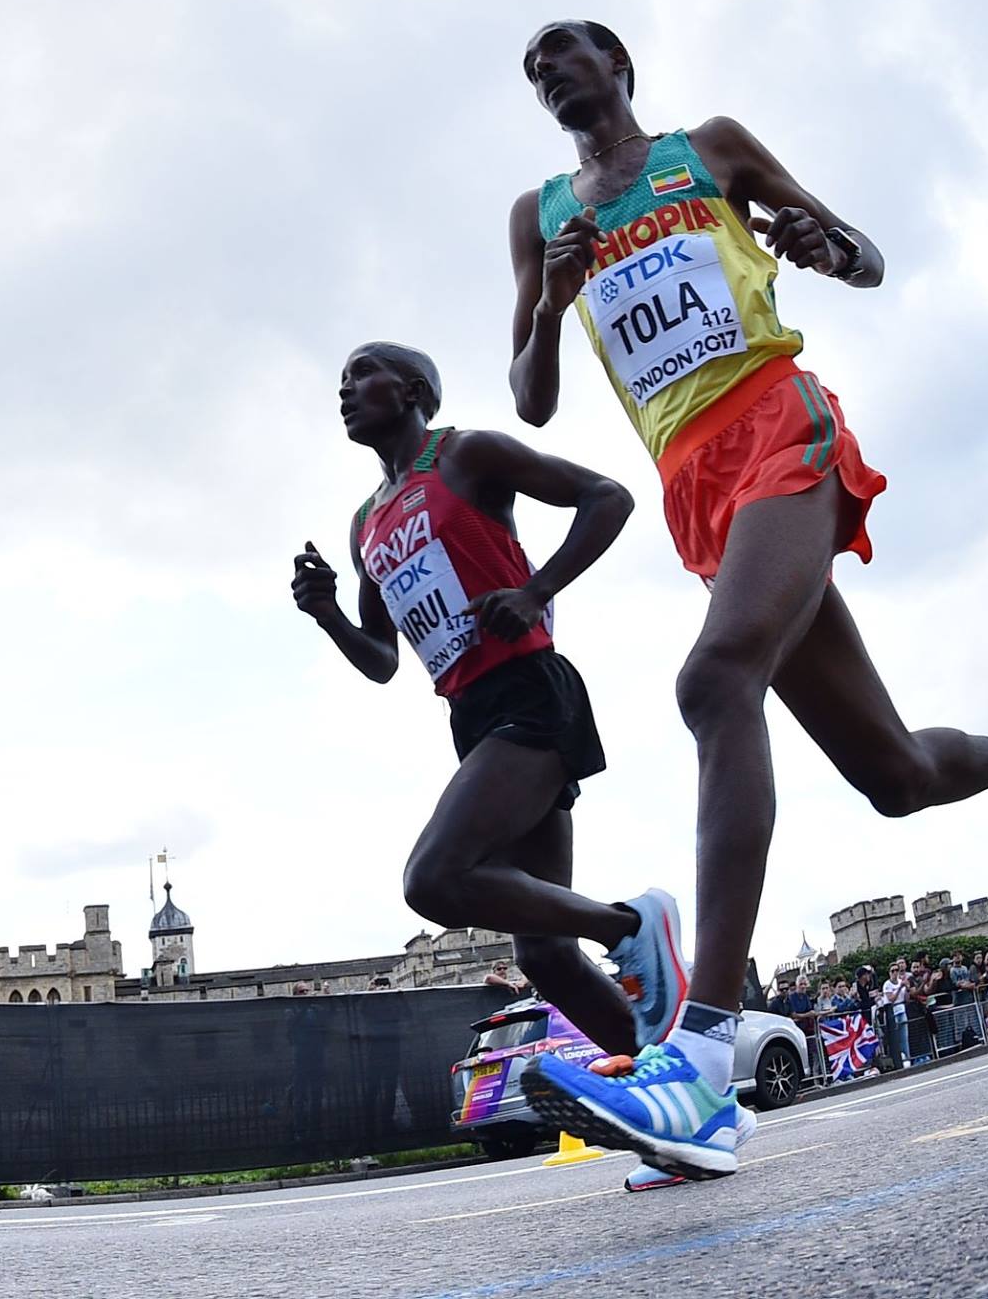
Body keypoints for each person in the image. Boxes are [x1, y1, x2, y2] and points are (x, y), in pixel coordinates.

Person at [504, 20, 988, 1181]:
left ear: (617, 65)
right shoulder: (540, 216)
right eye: (531, 69)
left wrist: (828, 247)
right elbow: (529, 396)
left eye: (564, 50)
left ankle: (698, 1067)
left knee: (713, 677)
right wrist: (548, 302)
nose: (547, 70)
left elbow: (862, 255)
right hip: (695, 484)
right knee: (893, 775)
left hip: (778, 422)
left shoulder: (707, 150)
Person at [291, 341, 724, 1193]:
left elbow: (608, 497)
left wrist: (535, 590)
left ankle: (630, 926)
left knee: (434, 879)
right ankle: (688, 1111)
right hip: (472, 716)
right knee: (545, 958)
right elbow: (382, 658)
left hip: (530, 691)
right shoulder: (365, 523)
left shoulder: (466, 454)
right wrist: (329, 614)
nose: (344, 389)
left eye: (361, 373)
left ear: (412, 389)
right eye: (337, 380)